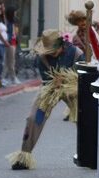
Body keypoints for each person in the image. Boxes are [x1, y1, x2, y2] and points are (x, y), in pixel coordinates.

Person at [8, 30, 83, 170]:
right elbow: (47, 79)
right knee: (34, 118)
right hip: (51, 88)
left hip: (72, 89)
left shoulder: (76, 54)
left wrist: (69, 81)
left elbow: (83, 76)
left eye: (52, 50)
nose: (49, 53)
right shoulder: (41, 58)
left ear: (61, 45)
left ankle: (89, 154)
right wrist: (56, 81)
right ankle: (24, 156)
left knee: (85, 118)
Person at [4, 5, 21, 85]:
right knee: (11, 62)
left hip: (13, 42)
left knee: (11, 61)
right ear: (11, 13)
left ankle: (7, 77)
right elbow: (6, 33)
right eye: (15, 12)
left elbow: (14, 32)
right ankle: (13, 78)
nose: (16, 13)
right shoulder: (7, 22)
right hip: (10, 43)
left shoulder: (12, 21)